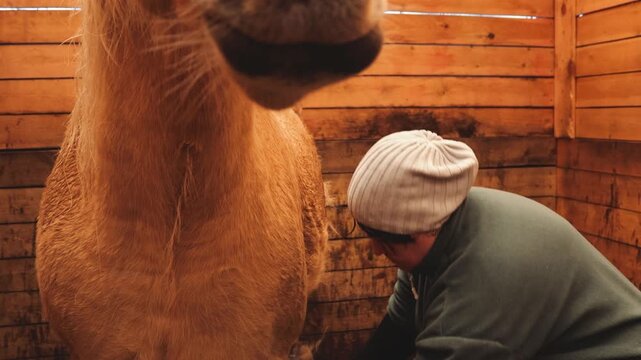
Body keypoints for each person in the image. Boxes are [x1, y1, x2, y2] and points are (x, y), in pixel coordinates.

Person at [347, 130, 641, 359]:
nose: (375, 250)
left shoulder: (481, 288)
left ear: (422, 228)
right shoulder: (440, 226)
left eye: (386, 241)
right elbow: (398, 329)